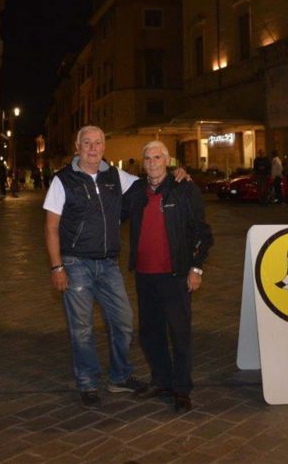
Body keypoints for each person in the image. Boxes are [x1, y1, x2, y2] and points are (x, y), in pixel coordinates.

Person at [43, 126, 188, 409]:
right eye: (87, 143)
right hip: (76, 264)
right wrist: (56, 267)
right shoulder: (63, 180)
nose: (93, 148)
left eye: (98, 143)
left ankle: (119, 376)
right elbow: (51, 228)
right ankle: (87, 382)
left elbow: (152, 180)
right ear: (77, 147)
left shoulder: (114, 176)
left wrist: (177, 174)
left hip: (109, 264)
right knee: (82, 329)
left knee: (123, 321)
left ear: (103, 147)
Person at [123, 140, 212, 413]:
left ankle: (182, 389)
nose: (152, 163)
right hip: (144, 275)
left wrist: (196, 268)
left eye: (157, 157)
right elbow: (113, 204)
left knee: (179, 334)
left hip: (175, 275)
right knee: (150, 333)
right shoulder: (137, 191)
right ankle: (161, 381)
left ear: (168, 160)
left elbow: (202, 232)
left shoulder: (184, 188)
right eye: (147, 158)